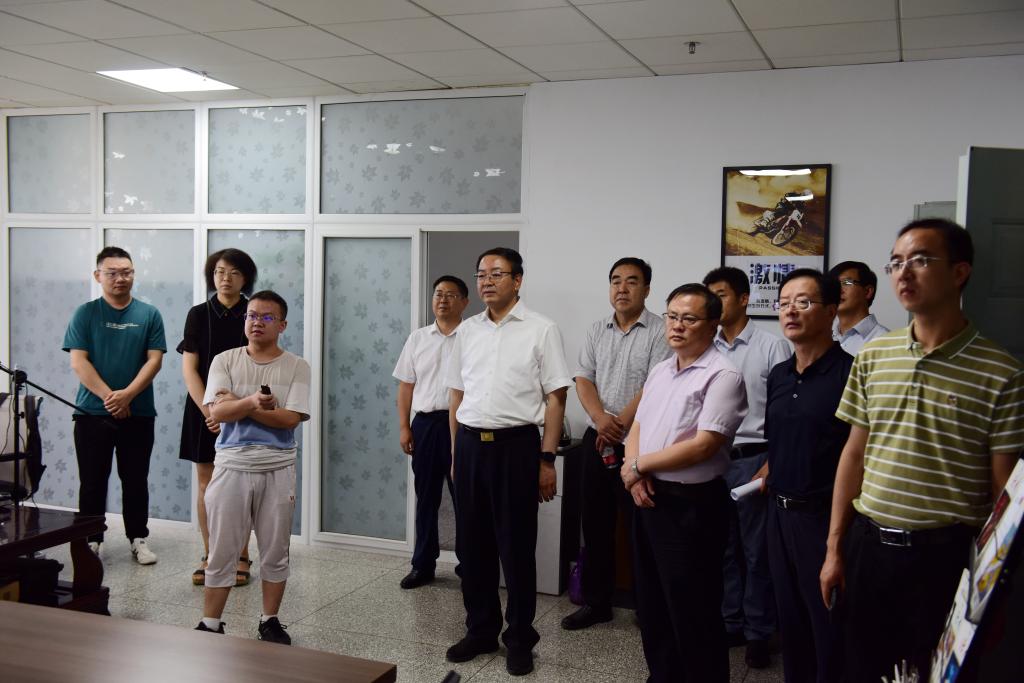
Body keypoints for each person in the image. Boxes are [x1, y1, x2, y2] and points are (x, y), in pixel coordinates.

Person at [820, 219, 1024, 681]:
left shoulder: (1002, 372)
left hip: (945, 555)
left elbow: (1003, 492)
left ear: (960, 272)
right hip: (869, 547)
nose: (904, 273)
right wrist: (834, 549)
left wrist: (992, 585)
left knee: (931, 671)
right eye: (895, 263)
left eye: (921, 260)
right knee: (860, 667)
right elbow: (854, 454)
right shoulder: (874, 357)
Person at [445, 247, 570, 676]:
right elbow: (456, 395)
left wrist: (547, 459)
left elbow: (556, 398)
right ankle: (480, 629)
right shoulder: (467, 330)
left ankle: (519, 638)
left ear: (518, 280)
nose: (486, 281)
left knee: (516, 547)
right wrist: (456, 455)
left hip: (516, 446)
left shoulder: (541, 329)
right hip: (470, 446)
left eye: (496, 273)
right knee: (472, 546)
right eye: (481, 274)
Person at [620, 283, 747, 683]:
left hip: (692, 505)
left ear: (712, 325)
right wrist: (633, 474)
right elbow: (638, 425)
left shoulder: (723, 375)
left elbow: (704, 445)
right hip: (649, 496)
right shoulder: (661, 369)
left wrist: (637, 465)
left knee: (693, 609)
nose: (676, 325)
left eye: (689, 319)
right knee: (652, 604)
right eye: (672, 316)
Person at [195, 290, 311, 644]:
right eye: (251, 316)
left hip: (278, 467)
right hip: (231, 465)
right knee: (222, 550)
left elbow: (290, 419)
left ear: (282, 325)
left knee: (275, 550)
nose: (257, 322)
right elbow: (216, 412)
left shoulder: (297, 366)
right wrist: (252, 403)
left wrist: (240, 405)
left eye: (266, 317)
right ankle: (210, 622)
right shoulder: (225, 360)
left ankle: (269, 620)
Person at [562, 257, 670, 631]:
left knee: (642, 527)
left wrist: (618, 423)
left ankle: (646, 606)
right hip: (598, 439)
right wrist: (599, 419)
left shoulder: (660, 331)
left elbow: (655, 384)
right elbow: (583, 378)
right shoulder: (597, 330)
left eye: (631, 281)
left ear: (647, 289)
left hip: (641, 441)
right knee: (595, 523)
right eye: (615, 281)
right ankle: (597, 603)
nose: (622, 288)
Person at [761, 269, 852, 683]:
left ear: (831, 311)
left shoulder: (850, 374)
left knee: (828, 626)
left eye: (803, 302)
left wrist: (838, 539)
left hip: (825, 518)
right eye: (784, 303)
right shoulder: (780, 374)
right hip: (779, 515)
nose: (790, 311)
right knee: (791, 623)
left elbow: (859, 456)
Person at [703, 266, 791, 667]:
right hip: (712, 458)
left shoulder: (772, 347)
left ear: (743, 298)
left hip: (755, 458)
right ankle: (730, 621)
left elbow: (787, 412)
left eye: (720, 294)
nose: (713, 302)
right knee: (721, 548)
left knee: (757, 553)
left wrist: (774, 463)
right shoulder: (707, 345)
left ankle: (759, 631)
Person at [63, 246, 166, 564]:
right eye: (112, 273)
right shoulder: (85, 313)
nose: (121, 278)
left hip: (138, 412)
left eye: (127, 272)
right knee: (92, 481)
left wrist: (127, 396)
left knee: (135, 479)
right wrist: (112, 398)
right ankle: (91, 540)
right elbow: (78, 362)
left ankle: (138, 538)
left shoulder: (149, 314)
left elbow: (154, 361)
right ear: (98, 276)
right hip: (92, 414)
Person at [178, 248, 258, 587]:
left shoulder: (254, 313)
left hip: (243, 408)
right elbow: (189, 369)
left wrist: (233, 409)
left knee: (240, 486)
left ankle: (241, 555)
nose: (225, 278)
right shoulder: (198, 314)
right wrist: (210, 410)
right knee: (206, 484)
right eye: (220, 271)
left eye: (234, 272)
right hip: (202, 409)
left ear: (245, 278)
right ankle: (211, 554)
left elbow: (258, 363)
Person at [393, 275, 469, 589]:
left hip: (463, 427)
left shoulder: (473, 337)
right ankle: (422, 565)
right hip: (425, 425)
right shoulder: (418, 338)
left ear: (464, 302)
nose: (442, 300)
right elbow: (405, 386)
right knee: (426, 498)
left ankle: (469, 565)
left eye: (451, 295)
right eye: (438, 294)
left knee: (465, 499)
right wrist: (404, 427)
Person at [827, 261, 889, 355]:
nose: (837, 290)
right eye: (833, 285)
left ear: (867, 292)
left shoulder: (886, 341)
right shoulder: (824, 339)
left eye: (846, 283)